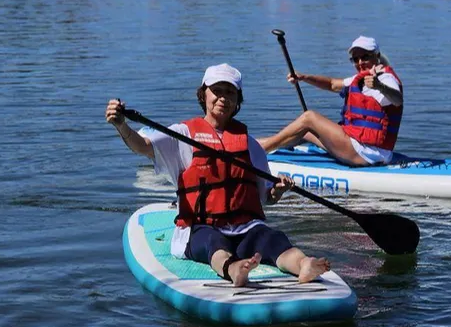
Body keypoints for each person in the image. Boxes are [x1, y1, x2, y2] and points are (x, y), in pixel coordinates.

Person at [105, 63, 331, 287]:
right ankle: (234, 269)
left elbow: (266, 198)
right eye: (217, 91)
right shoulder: (182, 135)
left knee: (272, 238)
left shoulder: (250, 146)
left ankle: (304, 264)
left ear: (238, 100)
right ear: (204, 94)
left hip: (244, 228)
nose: (223, 97)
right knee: (213, 243)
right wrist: (122, 126)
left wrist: (278, 191)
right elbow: (142, 146)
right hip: (201, 227)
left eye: (230, 92)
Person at [258, 36, 404, 166]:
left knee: (309, 118)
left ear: (377, 56)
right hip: (359, 147)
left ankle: (259, 152)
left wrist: (380, 86)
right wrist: (304, 78)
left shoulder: (386, 78)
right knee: (304, 132)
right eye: (355, 59)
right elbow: (332, 84)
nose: (360, 62)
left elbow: (397, 99)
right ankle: (257, 145)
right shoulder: (358, 79)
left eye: (365, 57)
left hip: (367, 152)